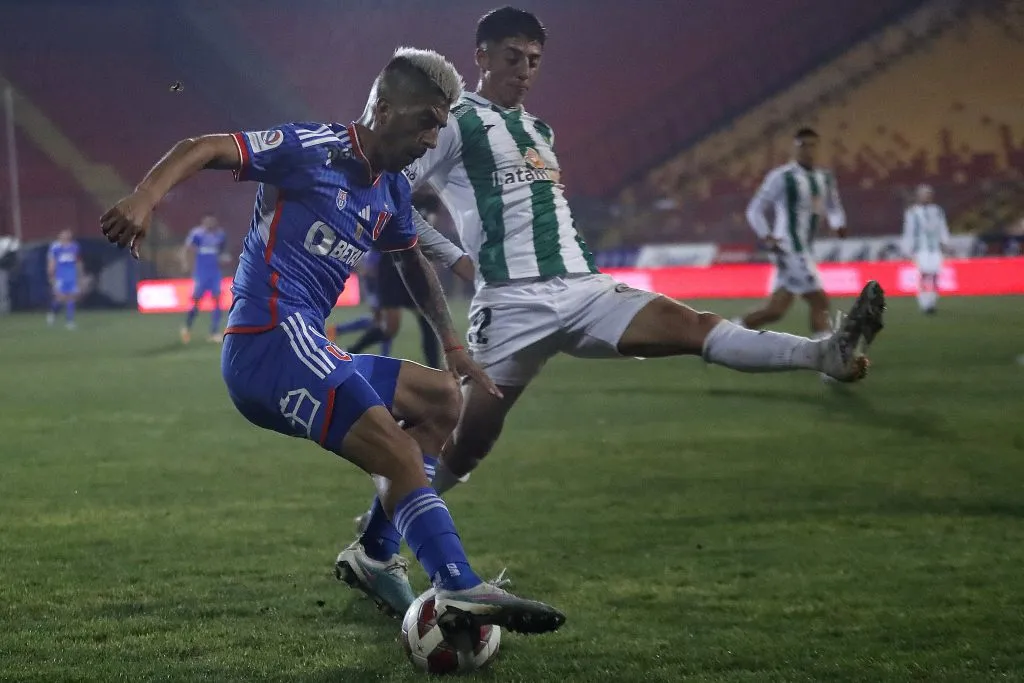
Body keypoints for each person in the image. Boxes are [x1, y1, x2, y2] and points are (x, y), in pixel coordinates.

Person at [346, 7, 886, 614]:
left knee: (693, 326)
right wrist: (460, 261)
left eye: (533, 61)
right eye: (511, 58)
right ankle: (372, 546)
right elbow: (398, 198)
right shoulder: (454, 122)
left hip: (583, 287)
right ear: (481, 56)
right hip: (511, 302)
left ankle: (826, 353)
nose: (524, 71)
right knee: (464, 447)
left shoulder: (541, 131)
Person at [99, 46, 565, 634]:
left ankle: (373, 555)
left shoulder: (390, 188)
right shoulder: (312, 148)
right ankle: (457, 583)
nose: (431, 138)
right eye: (426, 120)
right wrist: (145, 197)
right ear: (384, 106)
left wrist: (451, 344)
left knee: (442, 399)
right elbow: (206, 147)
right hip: (267, 339)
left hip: (305, 344)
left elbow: (410, 258)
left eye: (440, 125)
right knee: (397, 455)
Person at [739, 127, 847, 339]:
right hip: (788, 247)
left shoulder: (824, 178)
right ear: (794, 148)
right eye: (802, 145)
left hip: (804, 248)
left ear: (818, 148)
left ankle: (726, 334)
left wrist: (838, 223)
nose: (808, 150)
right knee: (819, 301)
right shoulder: (782, 176)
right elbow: (754, 210)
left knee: (775, 310)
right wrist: (767, 236)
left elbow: (834, 205)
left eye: (812, 145)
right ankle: (826, 358)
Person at [901, 184, 949, 315]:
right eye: (923, 194)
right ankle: (923, 302)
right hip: (921, 248)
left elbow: (942, 227)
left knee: (934, 275)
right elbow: (909, 231)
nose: (926, 197)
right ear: (918, 196)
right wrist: (907, 249)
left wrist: (945, 243)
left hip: (934, 248)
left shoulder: (937, 210)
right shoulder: (912, 212)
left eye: (928, 194)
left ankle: (932, 301)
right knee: (923, 274)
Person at [181, 213, 229, 343]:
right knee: (197, 301)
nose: (210, 222)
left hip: (214, 272)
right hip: (201, 272)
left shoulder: (220, 234)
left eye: (212, 220)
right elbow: (188, 250)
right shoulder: (197, 234)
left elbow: (222, 251)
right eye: (208, 220)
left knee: (217, 299)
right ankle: (187, 327)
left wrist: (223, 259)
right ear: (203, 221)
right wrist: (188, 266)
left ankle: (214, 332)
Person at [47, 229, 84, 330]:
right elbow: (52, 262)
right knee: (60, 298)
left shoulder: (75, 247)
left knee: (71, 298)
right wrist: (51, 276)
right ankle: (53, 313)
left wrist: (80, 276)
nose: (66, 236)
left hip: (71, 276)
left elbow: (78, 262)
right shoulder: (55, 247)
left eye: (68, 234)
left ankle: (69, 321)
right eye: (64, 234)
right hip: (60, 276)